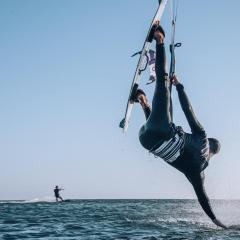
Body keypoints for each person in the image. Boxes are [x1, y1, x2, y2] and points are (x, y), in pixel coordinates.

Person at [133, 22, 227, 229]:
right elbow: (204, 199)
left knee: (162, 83)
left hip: (160, 129)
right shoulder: (197, 174)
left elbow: (189, 111)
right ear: (213, 154)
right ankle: (142, 100)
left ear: (210, 143)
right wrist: (216, 221)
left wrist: (179, 86)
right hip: (146, 141)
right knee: (165, 117)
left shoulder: (202, 138)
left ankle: (160, 39)